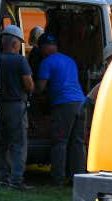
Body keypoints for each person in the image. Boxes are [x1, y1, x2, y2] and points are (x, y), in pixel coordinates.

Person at [35, 33, 87, 185]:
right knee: (77, 142)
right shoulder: (69, 60)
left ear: (44, 47)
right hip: (81, 102)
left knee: (60, 142)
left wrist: (32, 91)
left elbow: (40, 87)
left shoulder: (47, 62)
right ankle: (78, 177)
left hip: (64, 105)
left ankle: (58, 178)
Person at [0, 25, 34, 190]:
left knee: (2, 144)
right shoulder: (20, 60)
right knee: (18, 145)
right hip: (16, 107)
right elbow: (29, 84)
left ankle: (3, 178)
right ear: (14, 43)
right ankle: (16, 180)